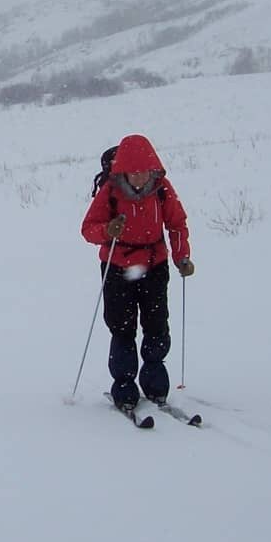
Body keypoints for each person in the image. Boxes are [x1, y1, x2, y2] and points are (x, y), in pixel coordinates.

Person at [80, 133, 194, 411]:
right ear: (123, 171)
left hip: (155, 266)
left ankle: (156, 386)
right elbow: (87, 229)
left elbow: (177, 224)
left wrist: (182, 258)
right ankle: (125, 388)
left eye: (145, 171)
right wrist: (107, 230)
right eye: (134, 172)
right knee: (122, 329)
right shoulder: (110, 192)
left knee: (156, 325)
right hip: (118, 269)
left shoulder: (162, 188)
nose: (141, 177)